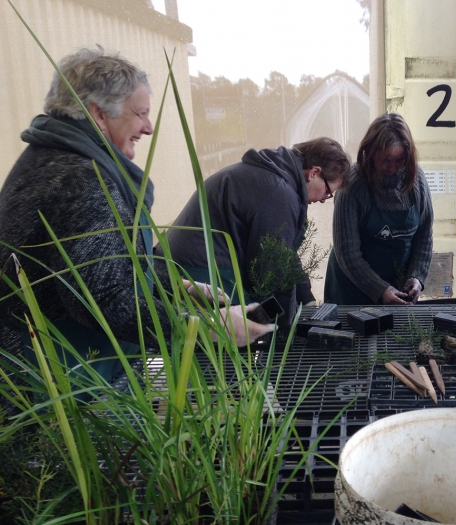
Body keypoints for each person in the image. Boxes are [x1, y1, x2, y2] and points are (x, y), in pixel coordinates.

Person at [0, 48, 269, 387]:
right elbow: (103, 297)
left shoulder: (50, 158)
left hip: (61, 361)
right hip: (58, 377)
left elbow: (109, 260)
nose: (149, 127)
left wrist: (176, 286)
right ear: (98, 113)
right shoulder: (81, 180)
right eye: (141, 113)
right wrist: (205, 329)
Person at [160, 137, 350, 310]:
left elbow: (284, 254)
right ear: (314, 172)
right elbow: (271, 271)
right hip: (200, 275)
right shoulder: (278, 193)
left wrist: (306, 300)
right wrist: (290, 326)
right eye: (327, 191)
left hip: (181, 265)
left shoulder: (272, 176)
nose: (325, 199)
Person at [324, 113, 433, 305]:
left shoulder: (417, 181)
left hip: (398, 286)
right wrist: (380, 289)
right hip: (352, 288)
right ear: (371, 152)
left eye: (400, 160)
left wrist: (417, 277)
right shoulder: (353, 186)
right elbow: (347, 253)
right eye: (386, 160)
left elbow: (424, 237)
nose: (392, 167)